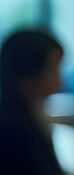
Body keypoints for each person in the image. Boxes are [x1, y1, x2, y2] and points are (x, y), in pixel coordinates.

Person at [0, 29, 65, 175]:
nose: (59, 81)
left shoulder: (32, 115)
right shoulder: (14, 131)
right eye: (54, 69)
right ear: (28, 73)